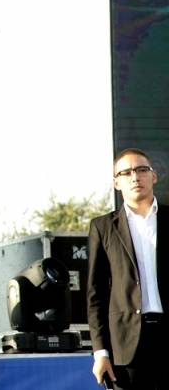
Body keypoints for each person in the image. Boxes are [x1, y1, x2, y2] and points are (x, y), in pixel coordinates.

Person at [87, 148, 168, 390]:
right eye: (126, 172)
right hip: (126, 346)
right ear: (116, 183)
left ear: (153, 176)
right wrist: (100, 353)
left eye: (142, 170)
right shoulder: (103, 227)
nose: (135, 177)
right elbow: (95, 294)